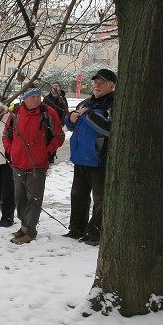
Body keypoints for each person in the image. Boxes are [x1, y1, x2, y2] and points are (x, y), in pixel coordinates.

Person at [2, 86, 64, 244]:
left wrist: (47, 151)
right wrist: (10, 151)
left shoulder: (48, 112)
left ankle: (30, 230)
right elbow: (6, 135)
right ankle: (24, 226)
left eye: (38, 96)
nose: (37, 99)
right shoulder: (15, 112)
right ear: (24, 98)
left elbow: (59, 136)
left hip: (38, 164)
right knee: (20, 197)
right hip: (18, 163)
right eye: (33, 96)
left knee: (34, 198)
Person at [64, 69, 116, 246]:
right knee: (77, 194)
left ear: (112, 85)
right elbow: (72, 126)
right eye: (95, 82)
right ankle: (76, 229)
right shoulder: (87, 102)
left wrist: (87, 115)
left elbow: (108, 129)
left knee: (100, 199)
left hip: (99, 159)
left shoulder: (113, 103)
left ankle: (95, 234)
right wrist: (70, 119)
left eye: (101, 82)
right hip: (80, 158)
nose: (96, 85)